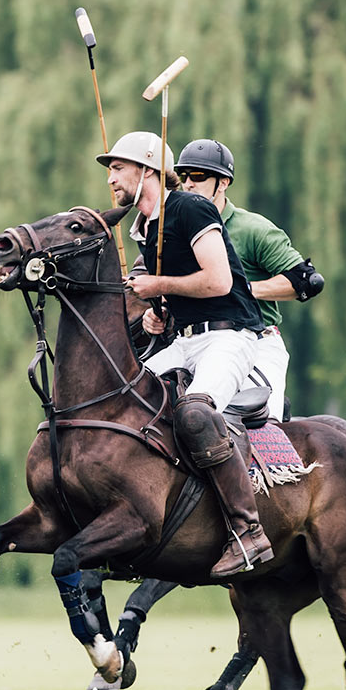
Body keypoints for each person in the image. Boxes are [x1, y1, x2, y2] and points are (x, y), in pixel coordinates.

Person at [99, 131, 272, 578]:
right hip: (186, 342)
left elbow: (219, 282)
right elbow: (180, 293)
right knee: (119, 400)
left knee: (195, 413)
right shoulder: (145, 228)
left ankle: (247, 531)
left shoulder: (190, 207)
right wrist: (160, 314)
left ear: (147, 170)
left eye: (118, 168)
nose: (111, 178)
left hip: (230, 337)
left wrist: (158, 285)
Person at [173, 139, 323, 420]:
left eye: (199, 176)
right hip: (190, 343)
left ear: (223, 182)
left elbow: (306, 281)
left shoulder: (253, 229)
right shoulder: (174, 229)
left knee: (259, 425)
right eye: (183, 176)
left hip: (256, 343)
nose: (189, 183)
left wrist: (243, 289)